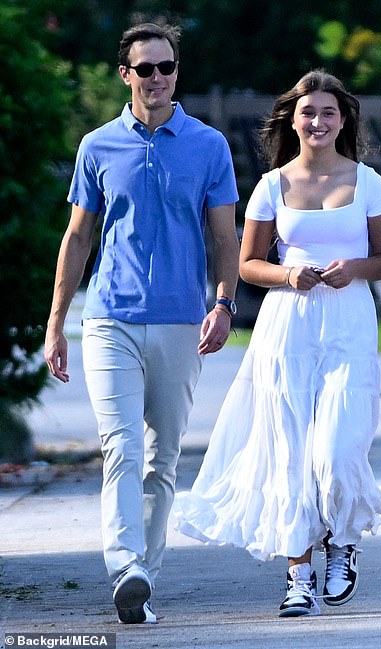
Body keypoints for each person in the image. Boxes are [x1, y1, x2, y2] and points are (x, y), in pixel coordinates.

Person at [174, 70, 381, 617]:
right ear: (293, 120)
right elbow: (247, 263)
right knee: (289, 453)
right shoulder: (271, 184)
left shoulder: (366, 181)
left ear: (343, 119)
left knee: (337, 449)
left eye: (328, 112)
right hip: (288, 326)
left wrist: (354, 268)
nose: (318, 122)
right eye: (308, 113)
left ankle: (343, 541)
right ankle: (298, 574)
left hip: (347, 322)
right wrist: (287, 275)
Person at [44, 22, 240, 624]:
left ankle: (144, 579)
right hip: (110, 318)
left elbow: (223, 235)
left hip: (181, 320)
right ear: (125, 75)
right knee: (121, 446)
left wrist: (225, 303)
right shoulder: (97, 146)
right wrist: (56, 324)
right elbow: (78, 238)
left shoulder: (208, 146)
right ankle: (124, 563)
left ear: (176, 73)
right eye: (145, 69)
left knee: (163, 456)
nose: (156, 79)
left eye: (166, 68)